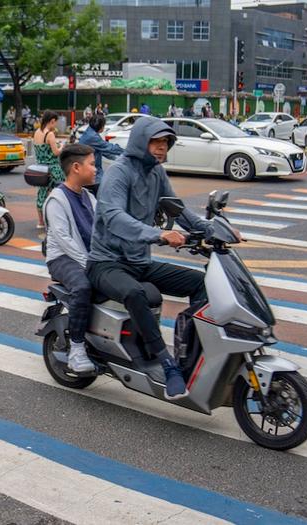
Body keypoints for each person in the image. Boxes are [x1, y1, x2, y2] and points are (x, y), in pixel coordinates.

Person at [87, 116, 225, 400]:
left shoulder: (157, 174)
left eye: (166, 143)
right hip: (106, 263)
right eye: (156, 142)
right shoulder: (119, 173)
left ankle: (189, 354)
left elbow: (178, 211)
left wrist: (217, 231)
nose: (162, 148)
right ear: (140, 141)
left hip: (140, 262)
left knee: (202, 283)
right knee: (135, 293)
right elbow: (113, 217)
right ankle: (166, 363)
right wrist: (158, 235)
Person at [44, 144, 99, 373]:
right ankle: (77, 349)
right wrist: (89, 264)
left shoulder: (88, 196)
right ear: (76, 167)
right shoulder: (57, 199)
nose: (96, 169)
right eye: (92, 164)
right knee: (83, 286)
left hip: (89, 257)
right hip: (62, 259)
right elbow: (64, 239)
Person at [32, 111, 64, 228]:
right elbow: (56, 152)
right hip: (52, 169)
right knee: (59, 192)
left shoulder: (36, 132)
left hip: (40, 168)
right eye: (55, 122)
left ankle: (40, 222)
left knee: (42, 193)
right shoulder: (50, 134)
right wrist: (62, 147)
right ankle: (55, 219)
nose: (55, 125)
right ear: (52, 121)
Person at [78, 114, 124, 186]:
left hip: (91, 169)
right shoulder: (92, 136)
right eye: (103, 125)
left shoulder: (90, 131)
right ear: (99, 126)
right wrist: (125, 152)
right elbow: (108, 147)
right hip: (92, 171)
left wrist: (118, 158)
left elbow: (103, 149)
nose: (104, 127)